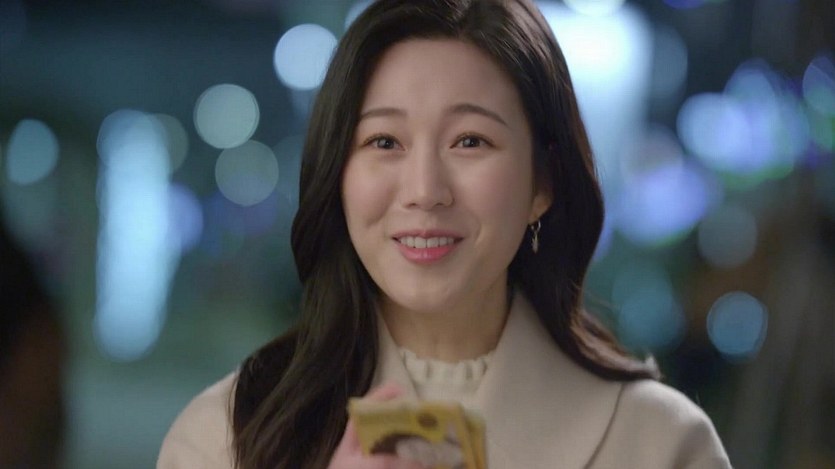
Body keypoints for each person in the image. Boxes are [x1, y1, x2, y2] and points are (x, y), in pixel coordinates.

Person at [157, 0, 731, 467]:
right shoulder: (225, 436)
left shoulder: (660, 444)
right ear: (337, 174)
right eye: (384, 142)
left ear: (543, 182)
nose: (425, 190)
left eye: (470, 141)